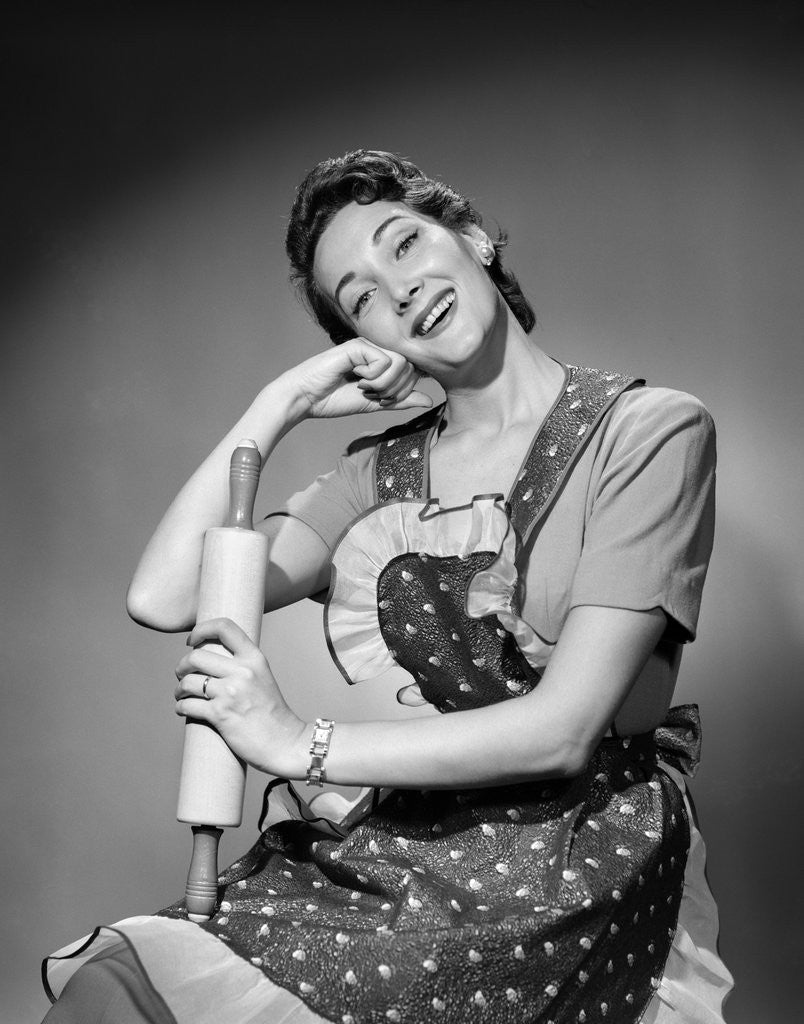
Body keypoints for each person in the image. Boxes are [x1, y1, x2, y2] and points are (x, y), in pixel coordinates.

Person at [43, 150, 733, 1023]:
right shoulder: (377, 477)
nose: (398, 290)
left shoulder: (647, 431)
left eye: (403, 246)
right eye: (361, 297)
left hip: (577, 858)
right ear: (368, 342)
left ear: (475, 239)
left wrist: (299, 743)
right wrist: (280, 403)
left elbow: (562, 733)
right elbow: (167, 596)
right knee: (114, 990)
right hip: (411, 842)